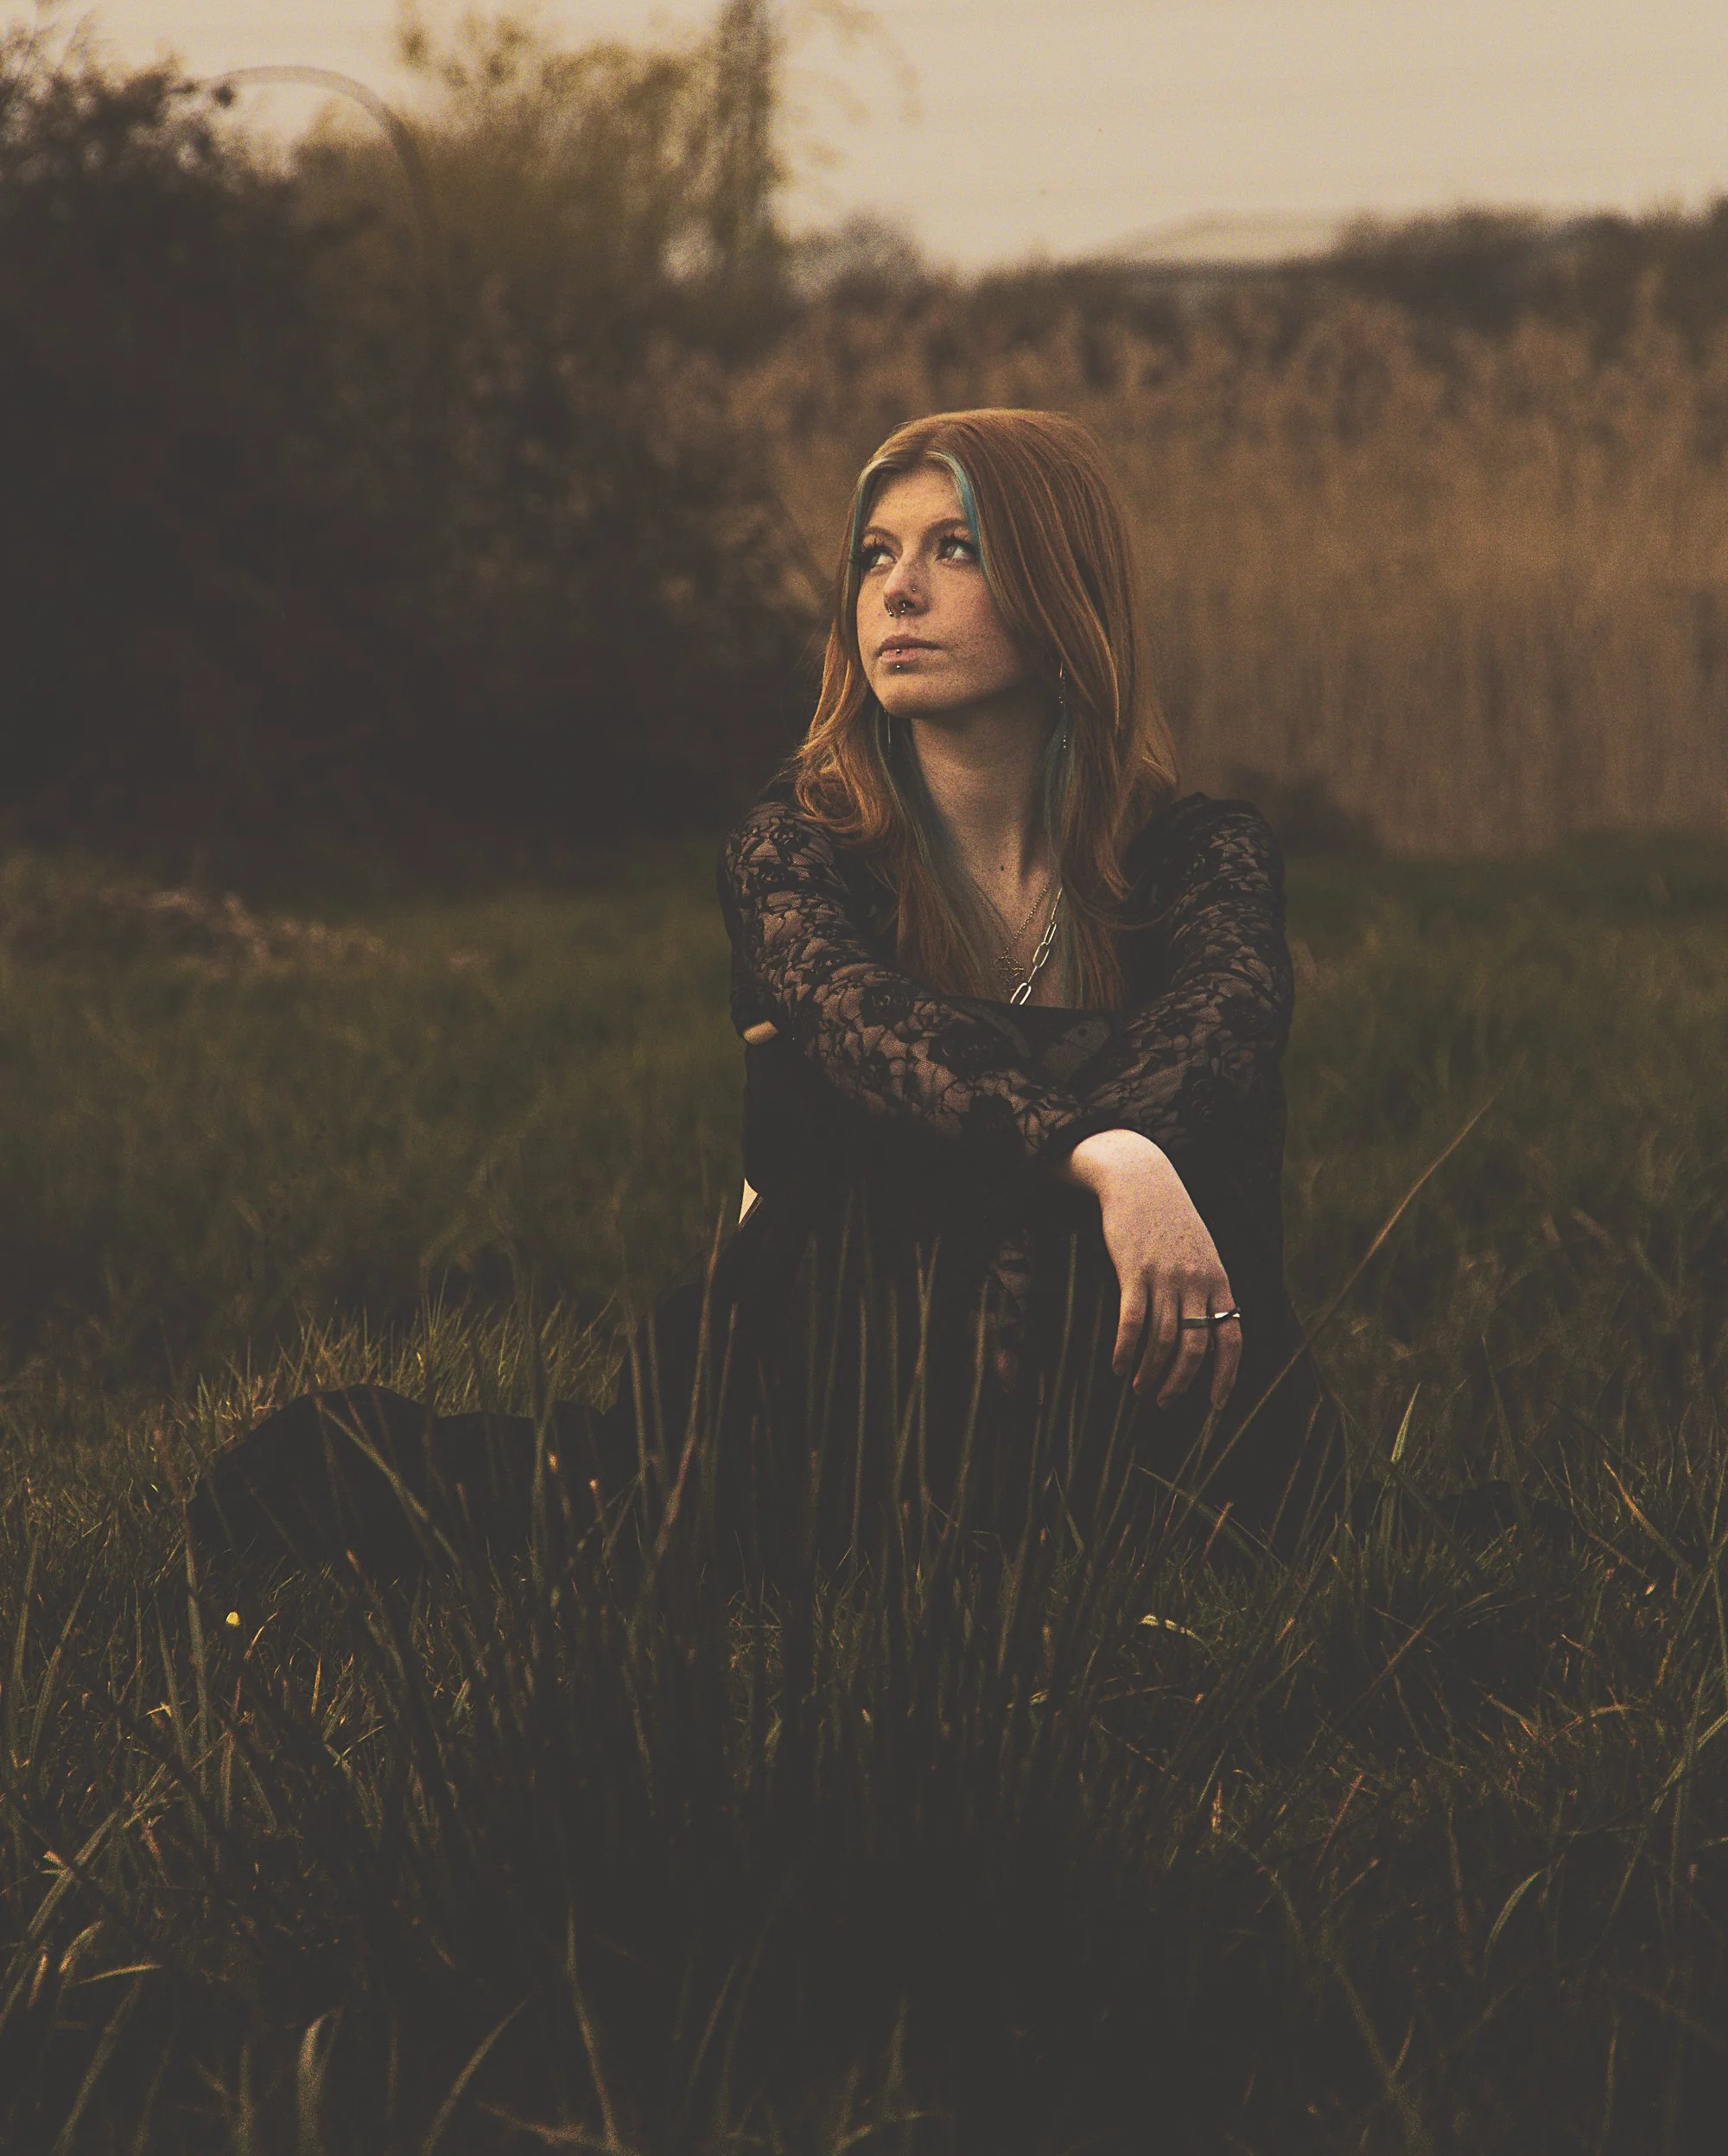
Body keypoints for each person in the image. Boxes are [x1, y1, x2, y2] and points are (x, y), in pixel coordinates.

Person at [192, 408, 1337, 1576]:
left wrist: (1120, 1156)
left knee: (1187, 1134)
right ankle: (966, 1524)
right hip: (836, 1412)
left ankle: (1095, 1513)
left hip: (1125, 1405)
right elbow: (859, 1027)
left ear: (1063, 592)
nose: (899, 591)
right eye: (875, 555)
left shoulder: (1199, 857)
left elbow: (1222, 1040)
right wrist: (1114, 1154)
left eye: (957, 547)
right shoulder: (795, 853)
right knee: (928, 1126)